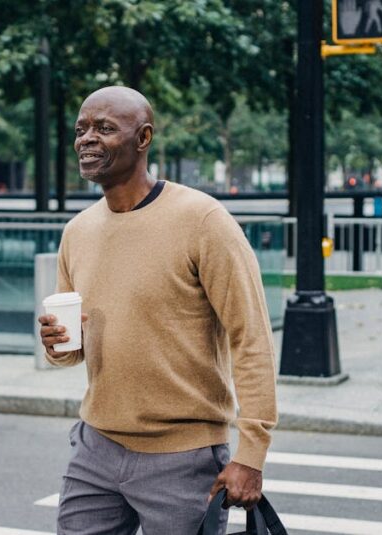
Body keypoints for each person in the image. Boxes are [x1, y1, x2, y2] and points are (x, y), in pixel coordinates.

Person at [38, 86, 278, 534]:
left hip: (182, 459)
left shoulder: (203, 221)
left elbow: (252, 338)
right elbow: (72, 351)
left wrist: (251, 452)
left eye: (105, 128)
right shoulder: (77, 231)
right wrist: (58, 344)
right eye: (81, 129)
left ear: (143, 138)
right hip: (96, 447)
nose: (87, 139)